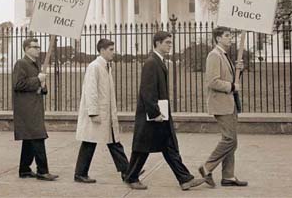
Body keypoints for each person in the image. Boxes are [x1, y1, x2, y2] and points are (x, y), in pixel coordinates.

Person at [124, 31, 205, 191]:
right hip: (153, 114)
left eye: (170, 42)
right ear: (157, 43)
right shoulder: (151, 63)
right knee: (143, 147)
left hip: (160, 112)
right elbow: (147, 91)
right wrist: (155, 114)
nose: (170, 45)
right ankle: (131, 177)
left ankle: (184, 179)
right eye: (167, 42)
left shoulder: (158, 61)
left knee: (168, 146)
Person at [74, 39, 129, 183]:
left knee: (112, 141)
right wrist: (93, 112)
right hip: (98, 113)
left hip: (106, 112)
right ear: (102, 50)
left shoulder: (105, 66)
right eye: (110, 49)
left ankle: (127, 171)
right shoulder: (95, 66)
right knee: (90, 142)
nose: (113, 52)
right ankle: (80, 174)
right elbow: (90, 90)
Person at [198, 26, 248, 187]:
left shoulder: (223, 55)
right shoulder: (214, 55)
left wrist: (239, 70)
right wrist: (232, 87)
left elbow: (231, 79)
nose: (230, 38)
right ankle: (207, 167)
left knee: (231, 140)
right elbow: (212, 81)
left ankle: (228, 176)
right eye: (227, 36)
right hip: (221, 103)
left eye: (231, 36)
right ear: (218, 38)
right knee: (230, 140)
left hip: (230, 103)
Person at [12, 38, 58, 181]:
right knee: (38, 136)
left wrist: (43, 85)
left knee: (29, 138)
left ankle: (24, 169)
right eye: (35, 47)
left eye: (39, 47)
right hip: (26, 108)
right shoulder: (21, 63)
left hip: (35, 106)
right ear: (26, 49)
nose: (39, 49)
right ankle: (42, 171)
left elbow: (39, 87)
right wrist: (38, 79)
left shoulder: (35, 64)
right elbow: (18, 84)